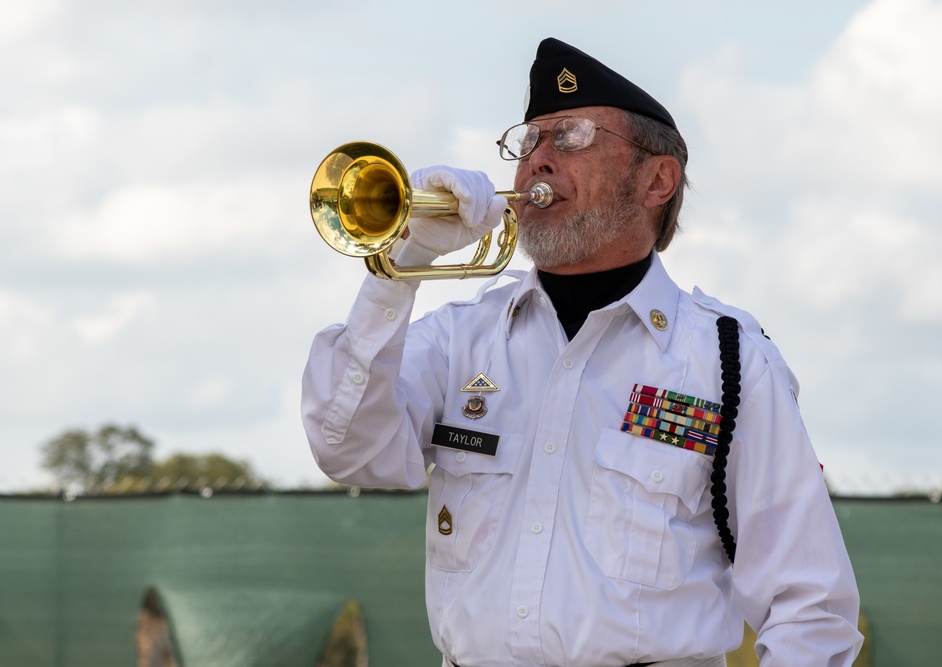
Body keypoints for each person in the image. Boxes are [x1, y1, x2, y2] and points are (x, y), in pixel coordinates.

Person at [302, 37, 863, 667]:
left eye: (570, 137)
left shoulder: (730, 362)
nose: (538, 161)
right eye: (529, 141)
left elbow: (810, 610)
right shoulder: (462, 338)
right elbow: (347, 449)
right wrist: (398, 263)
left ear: (657, 180)